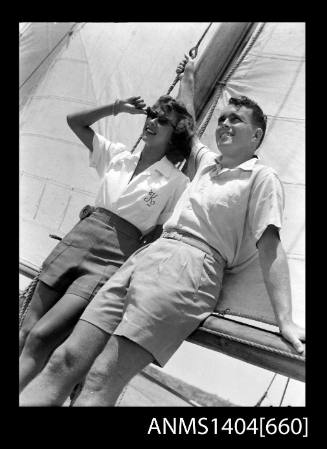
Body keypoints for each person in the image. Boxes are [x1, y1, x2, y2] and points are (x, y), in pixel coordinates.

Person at [20, 59, 305, 407]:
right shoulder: (204, 164)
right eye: (223, 118)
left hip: (191, 268)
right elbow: (190, 124)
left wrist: (285, 321)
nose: (226, 124)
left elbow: (270, 247)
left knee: (100, 378)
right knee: (66, 359)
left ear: (257, 135)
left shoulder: (261, 178)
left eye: (237, 120)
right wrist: (189, 77)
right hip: (146, 258)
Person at [19, 92, 194, 393]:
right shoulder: (118, 156)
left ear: (174, 134)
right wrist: (117, 108)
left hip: (112, 259)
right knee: (23, 330)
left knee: (41, 336)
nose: (152, 121)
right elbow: (75, 122)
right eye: (151, 114)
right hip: (77, 241)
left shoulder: (177, 183)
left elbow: (158, 234)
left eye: (162, 120)